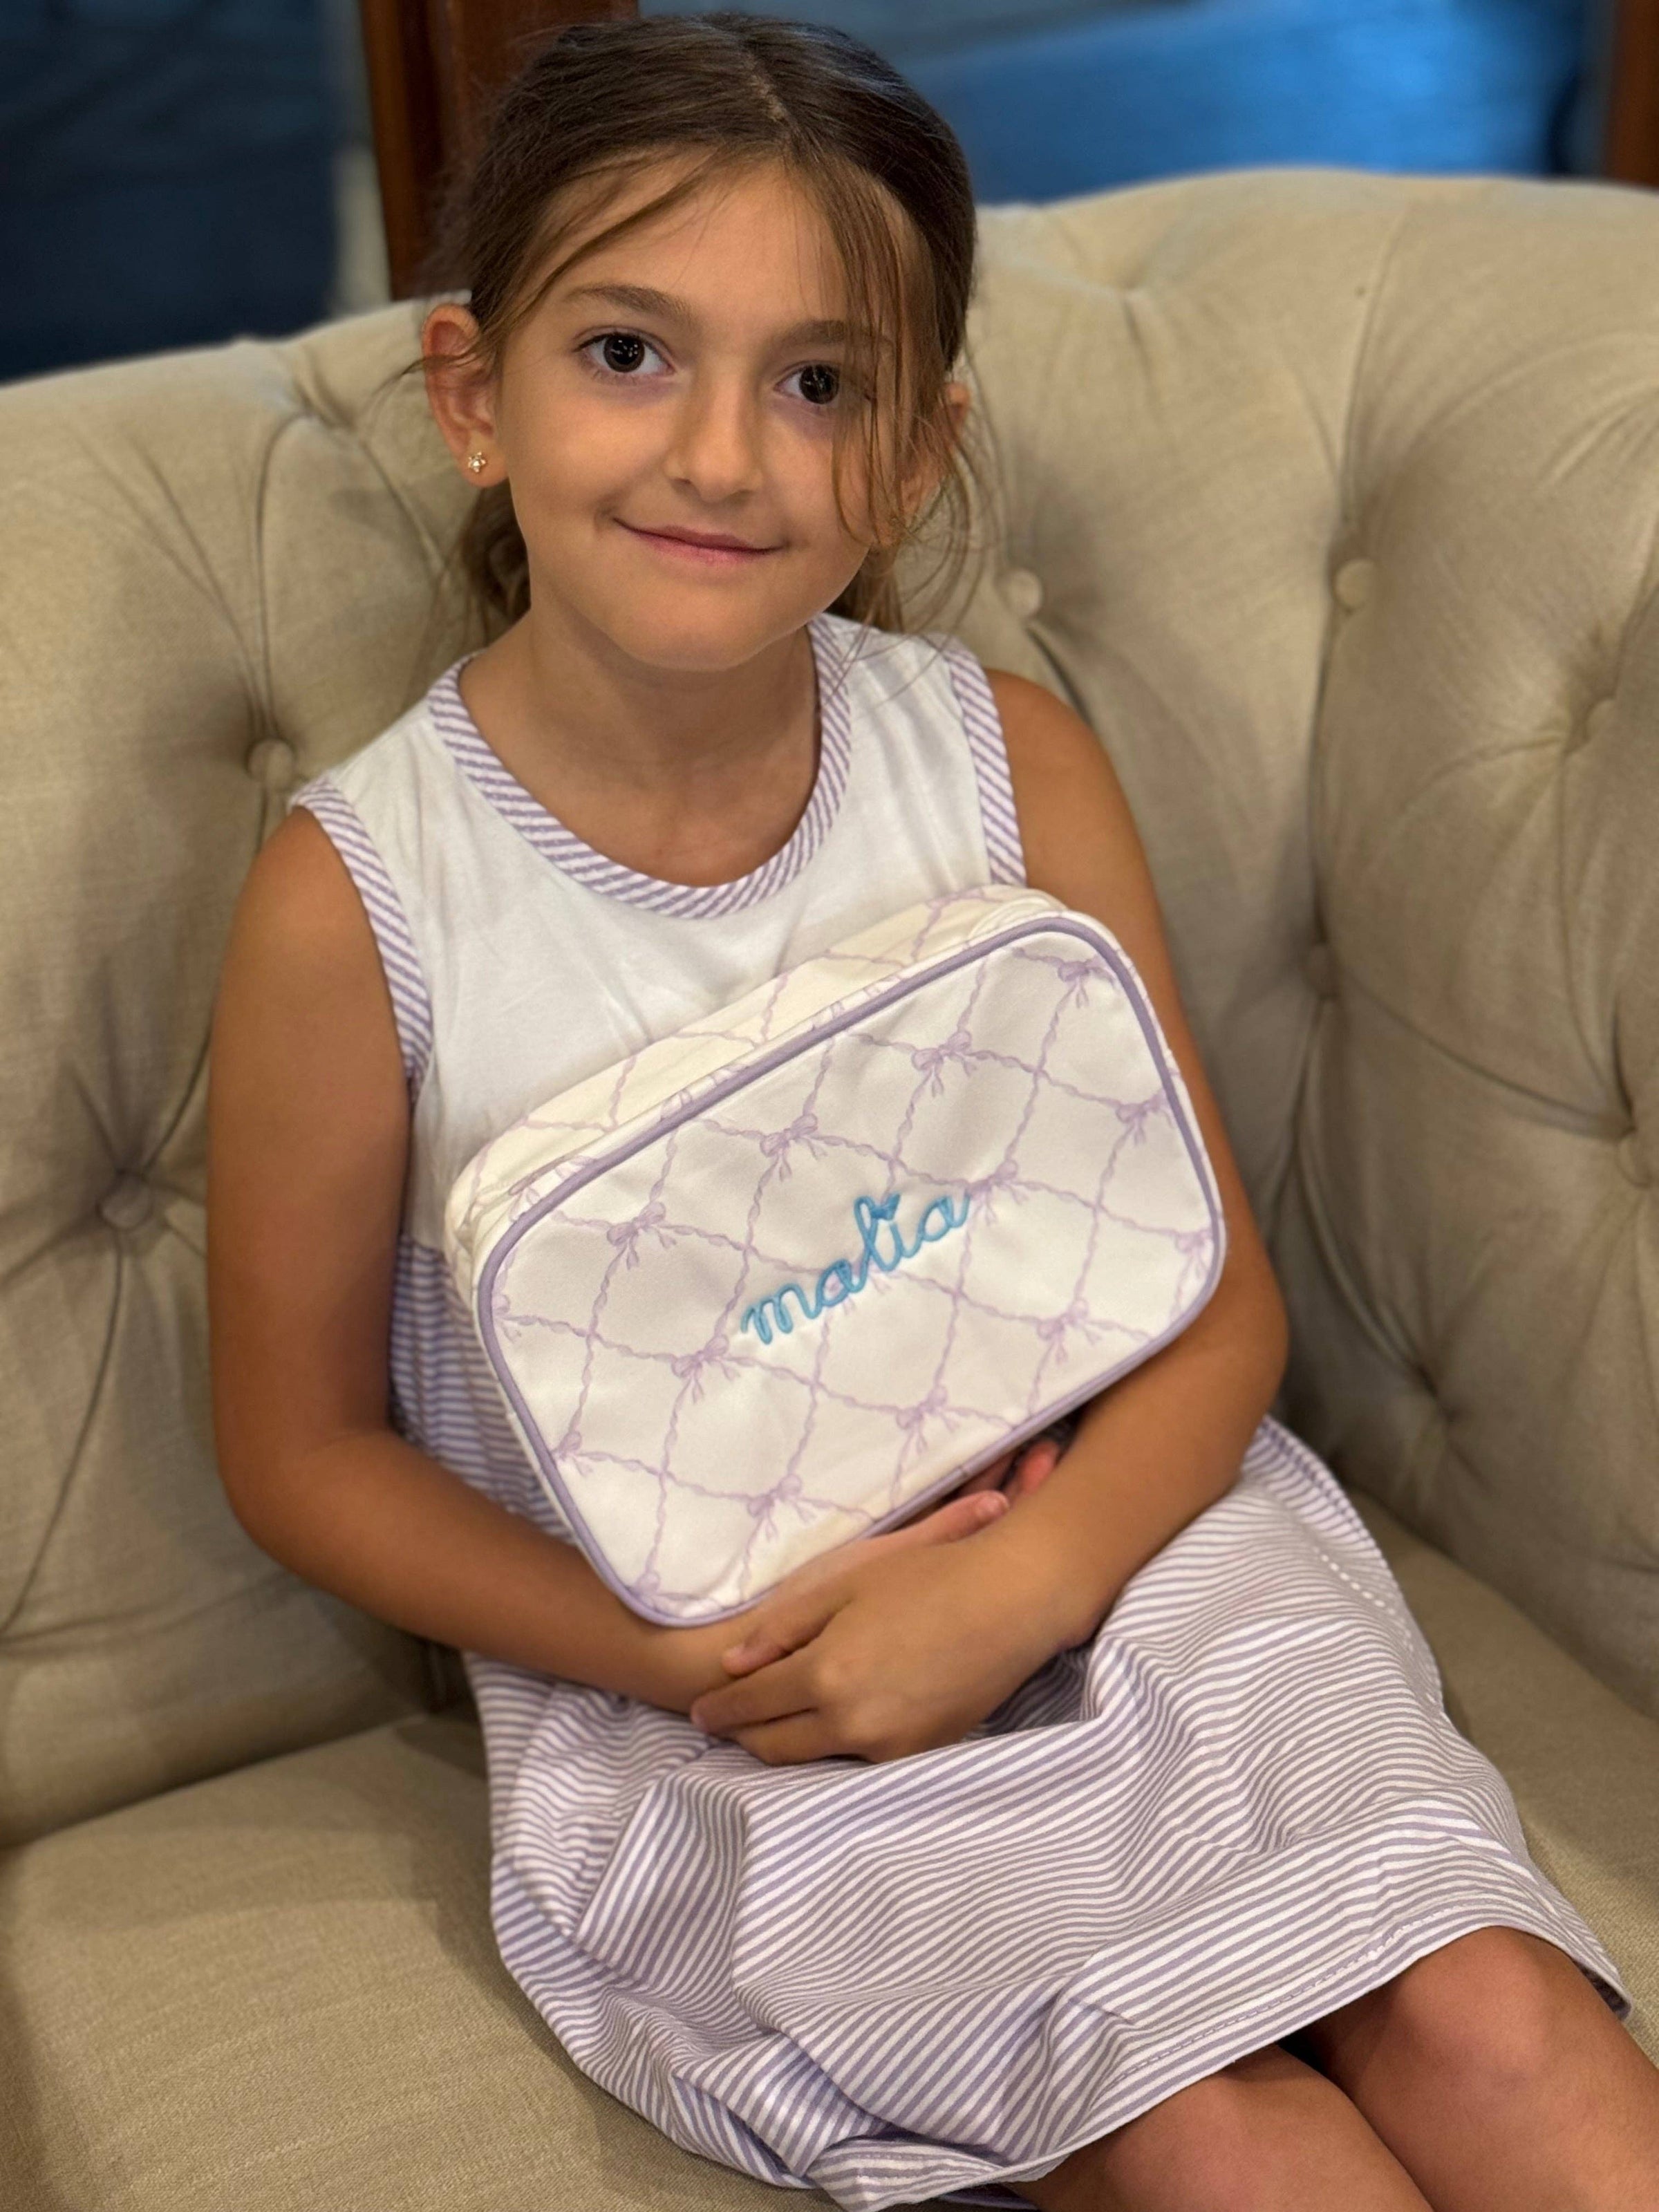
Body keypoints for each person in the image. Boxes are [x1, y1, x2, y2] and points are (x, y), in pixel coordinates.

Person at [205, 16, 1659, 2209]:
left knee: (1490, 2012)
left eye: (819, 382)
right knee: (1209, 2131)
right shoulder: (359, 904)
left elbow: (1216, 1304)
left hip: (1141, 1541)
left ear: (913, 454)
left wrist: (1038, 1576)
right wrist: (703, 1654)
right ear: (474, 394)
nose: (722, 453)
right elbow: (300, 1450)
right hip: (717, 1684)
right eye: (628, 352)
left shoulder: (1004, 764)